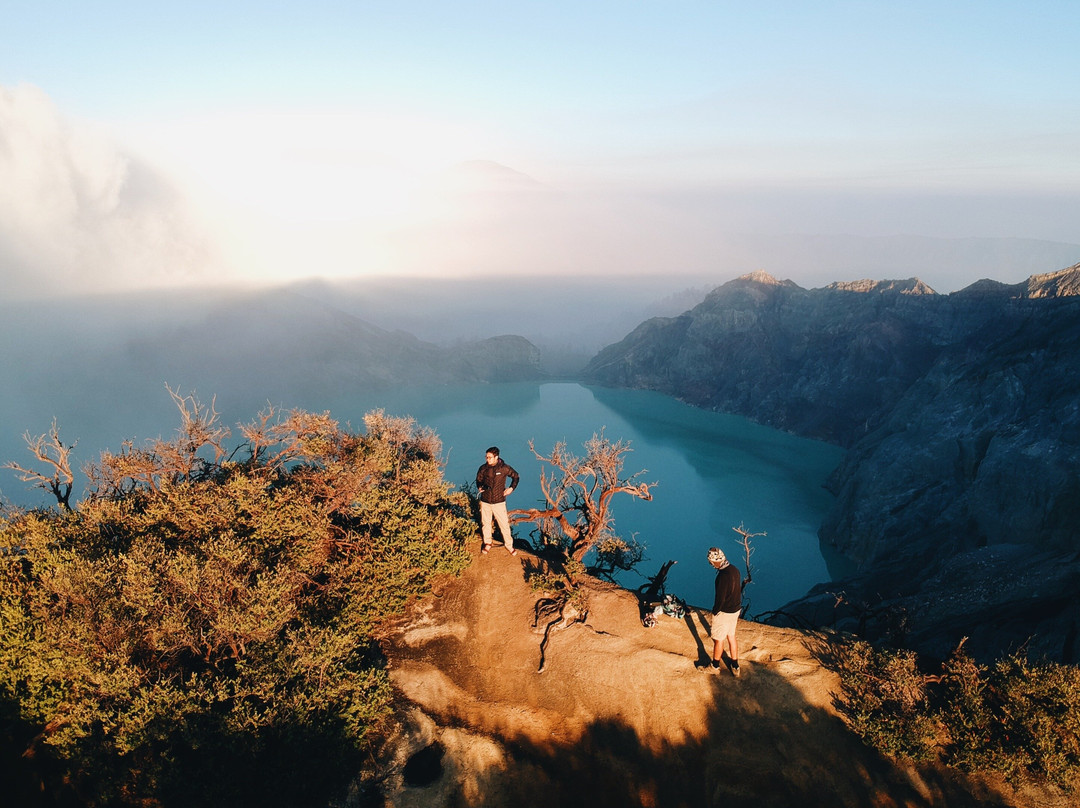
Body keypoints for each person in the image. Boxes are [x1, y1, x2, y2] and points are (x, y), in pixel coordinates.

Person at [475, 446, 520, 556]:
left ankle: (509, 545)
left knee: (504, 524)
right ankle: (488, 543)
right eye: (486, 457)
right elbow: (478, 479)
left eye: (490, 457)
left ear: (496, 457)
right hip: (485, 500)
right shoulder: (483, 468)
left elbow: (516, 476)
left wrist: (511, 488)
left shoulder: (504, 468)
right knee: (486, 524)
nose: (487, 459)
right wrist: (480, 487)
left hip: (499, 501)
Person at [707, 547, 743, 676]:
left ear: (714, 562)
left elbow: (720, 598)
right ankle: (735, 666)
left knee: (719, 639)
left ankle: (715, 666)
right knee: (731, 637)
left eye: (711, 562)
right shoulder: (734, 570)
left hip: (724, 612)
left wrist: (715, 611)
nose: (711, 564)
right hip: (735, 609)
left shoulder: (722, 576)